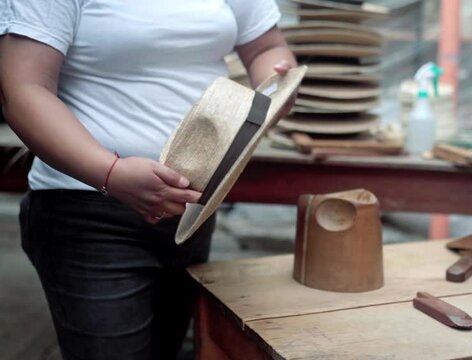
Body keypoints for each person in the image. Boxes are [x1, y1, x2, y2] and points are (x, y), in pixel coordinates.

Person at [0, 1, 298, 359]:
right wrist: (111, 173)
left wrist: (276, 87)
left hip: (192, 205)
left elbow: (266, 46)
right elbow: (23, 88)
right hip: (88, 211)